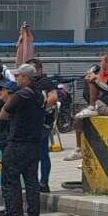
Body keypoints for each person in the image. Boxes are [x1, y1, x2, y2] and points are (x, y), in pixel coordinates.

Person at [0, 66, 46, 216]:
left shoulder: (21, 95)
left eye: (18, 76)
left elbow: (4, 113)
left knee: (10, 181)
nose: (16, 78)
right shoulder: (40, 95)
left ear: (26, 78)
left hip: (17, 143)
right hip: (34, 144)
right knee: (32, 182)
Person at [30, 58, 60, 193]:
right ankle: (32, 182)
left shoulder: (45, 82)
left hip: (42, 123)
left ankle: (44, 182)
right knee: (31, 155)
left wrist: (39, 109)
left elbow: (53, 98)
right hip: (29, 124)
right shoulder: (27, 83)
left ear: (40, 70)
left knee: (42, 154)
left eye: (33, 69)